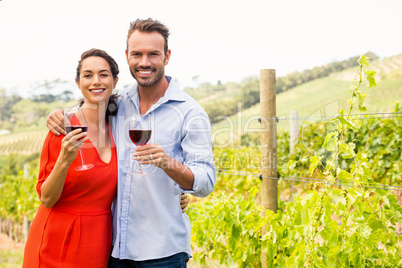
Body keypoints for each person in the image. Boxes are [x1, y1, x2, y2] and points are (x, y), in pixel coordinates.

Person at [47, 18, 216, 267]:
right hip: (115, 248)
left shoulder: (191, 113)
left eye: (153, 54)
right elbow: (89, 107)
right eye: (137, 54)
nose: (144, 62)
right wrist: (60, 113)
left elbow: (206, 182)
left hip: (162, 252)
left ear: (167, 56)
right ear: (127, 56)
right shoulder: (119, 103)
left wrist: (168, 164)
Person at [23, 48, 120, 267]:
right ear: (78, 83)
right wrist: (64, 159)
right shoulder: (62, 128)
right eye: (88, 75)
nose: (96, 81)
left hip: (98, 239)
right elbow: (47, 198)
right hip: (55, 240)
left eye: (103, 74)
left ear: (114, 81)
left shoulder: (118, 127)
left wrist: (175, 195)